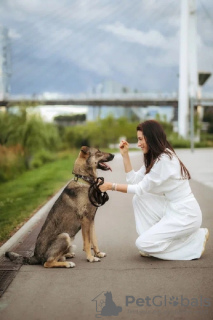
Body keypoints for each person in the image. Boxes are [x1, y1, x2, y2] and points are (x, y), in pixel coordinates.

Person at [99, 120, 209, 260]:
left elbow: (140, 188)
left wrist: (111, 186)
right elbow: (134, 180)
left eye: (140, 139)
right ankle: (152, 244)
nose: (138, 144)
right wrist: (125, 155)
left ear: (150, 137)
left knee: (141, 244)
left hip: (186, 215)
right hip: (172, 208)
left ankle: (194, 242)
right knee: (139, 199)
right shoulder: (156, 157)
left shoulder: (165, 160)